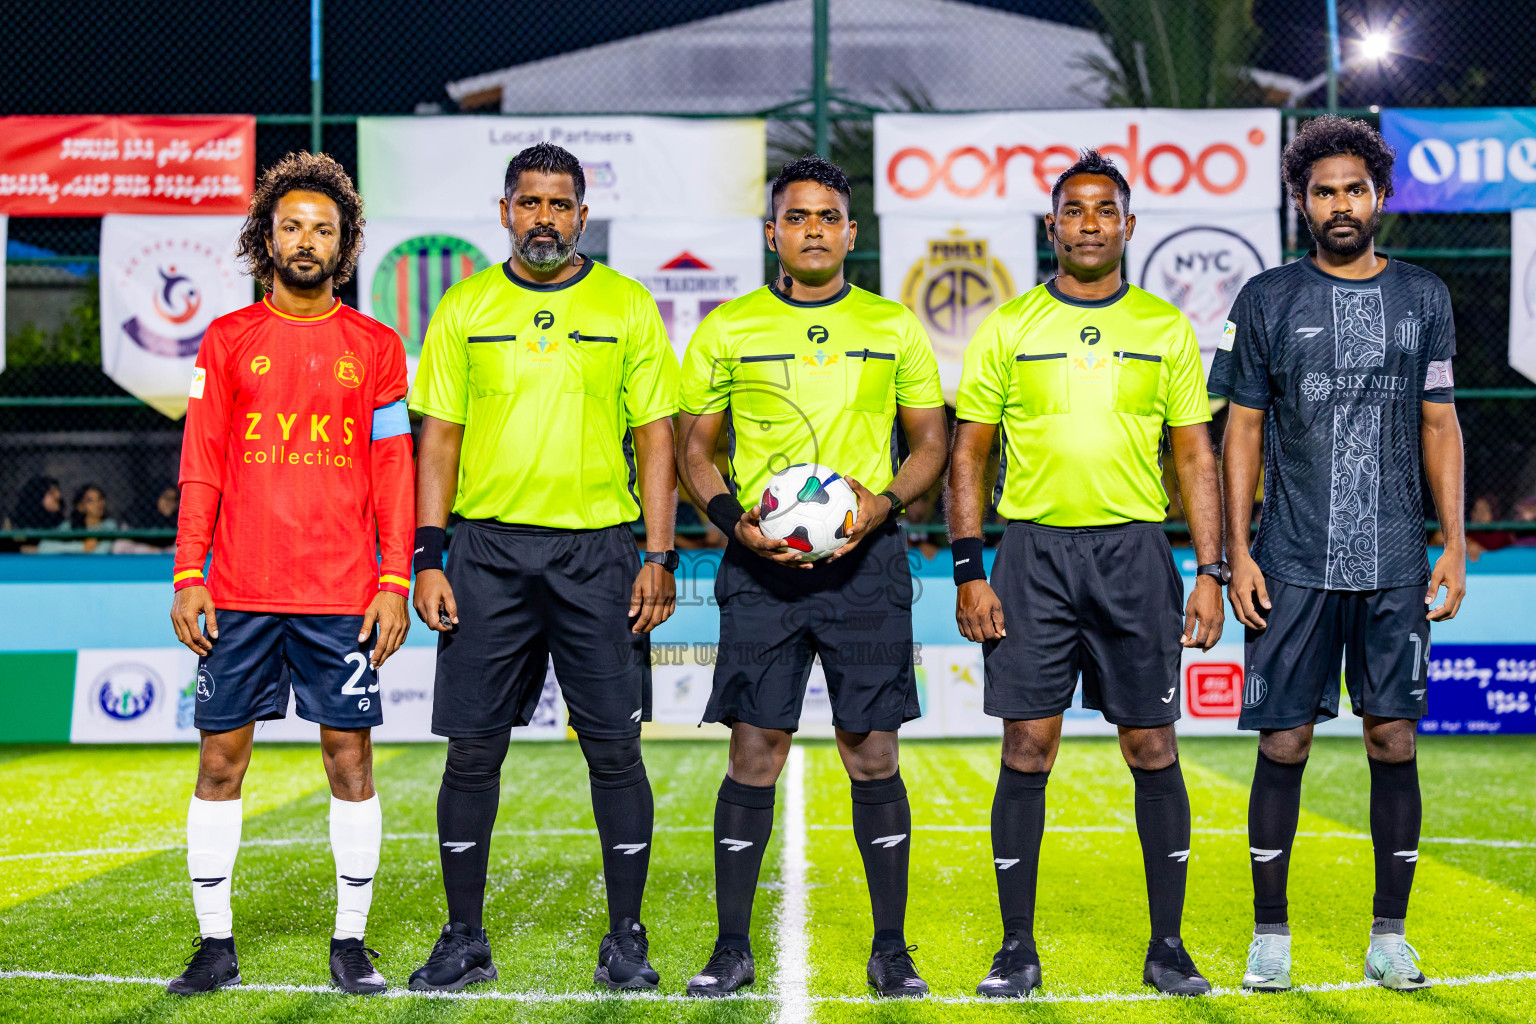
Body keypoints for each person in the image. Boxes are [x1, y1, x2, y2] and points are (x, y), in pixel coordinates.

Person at [947, 149, 1225, 999]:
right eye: (1075, 210)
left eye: (1106, 210)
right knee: (1028, 746)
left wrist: (1209, 570)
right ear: (1053, 225)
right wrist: (969, 568)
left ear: (1129, 226)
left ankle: (1168, 947)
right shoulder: (1008, 327)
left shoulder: (1166, 329)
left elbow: (1194, 455)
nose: (1091, 223)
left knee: (1151, 742)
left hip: (1136, 554)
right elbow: (969, 455)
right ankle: (1016, 949)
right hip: (1031, 556)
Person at [406, 142, 680, 994]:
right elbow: (437, 441)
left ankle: (626, 939)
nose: (545, 219)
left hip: (597, 552)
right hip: (484, 554)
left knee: (614, 750)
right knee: (472, 755)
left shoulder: (628, 305)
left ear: (583, 216)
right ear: (504, 212)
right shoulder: (464, 306)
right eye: (530, 203)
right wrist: (429, 556)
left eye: (561, 205)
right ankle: (462, 940)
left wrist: (659, 556)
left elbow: (656, 439)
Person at [676, 156, 949, 999]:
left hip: (866, 568)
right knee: (755, 752)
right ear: (773, 234)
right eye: (798, 218)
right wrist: (736, 528)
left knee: (873, 756)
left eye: (830, 216)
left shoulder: (894, 325)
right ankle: (730, 948)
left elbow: (931, 444)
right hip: (763, 573)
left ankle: (891, 950)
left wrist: (880, 507)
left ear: (852, 233)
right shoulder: (729, 328)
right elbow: (695, 449)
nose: (815, 230)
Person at [1210, 115, 1466, 993]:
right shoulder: (1267, 298)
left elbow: (1441, 423)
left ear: (1380, 196)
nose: (1341, 204)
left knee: (1393, 738)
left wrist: (1455, 545)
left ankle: (1389, 937)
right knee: (1282, 745)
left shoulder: (1425, 296)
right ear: (1302, 204)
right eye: (1324, 191)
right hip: (1288, 562)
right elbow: (1240, 429)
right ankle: (1269, 936)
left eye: (1355, 188)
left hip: (1396, 560)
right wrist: (1236, 553)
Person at [165, 152, 414, 996]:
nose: (306, 241)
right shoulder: (228, 340)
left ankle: (351, 942)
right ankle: (214, 942)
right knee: (221, 765)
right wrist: (186, 574)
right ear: (265, 236)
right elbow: (202, 462)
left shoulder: (376, 348)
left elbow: (393, 472)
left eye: (323, 229)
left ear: (345, 246)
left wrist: (393, 583)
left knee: (350, 763)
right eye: (292, 226)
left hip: (340, 594)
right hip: (236, 590)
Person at [37, 483, 120, 554]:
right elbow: (44, 547)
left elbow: (100, 552)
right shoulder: (69, 526)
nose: (98, 504)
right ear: (80, 507)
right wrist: (82, 547)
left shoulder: (109, 525)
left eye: (100, 498)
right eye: (90, 501)